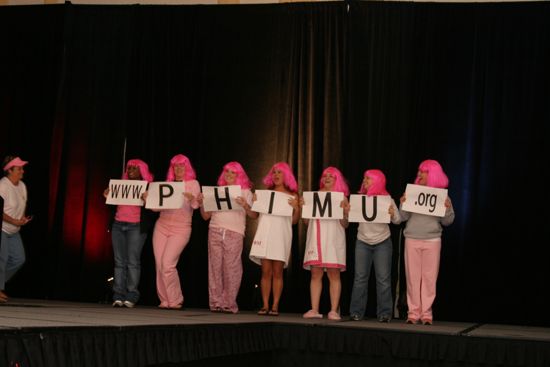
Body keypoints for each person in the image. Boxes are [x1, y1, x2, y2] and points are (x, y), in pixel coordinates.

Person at [399, 159, 455, 325]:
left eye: (424, 171)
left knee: (429, 279)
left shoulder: (441, 196)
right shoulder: (412, 192)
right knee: (412, 278)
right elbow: (402, 217)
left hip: (432, 240)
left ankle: (426, 314)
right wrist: (402, 204)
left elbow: (448, 221)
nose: (420, 174)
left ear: (433, 175)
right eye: (419, 171)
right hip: (412, 238)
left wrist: (447, 208)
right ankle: (413, 313)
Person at [198, 162, 257, 314]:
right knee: (214, 268)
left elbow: (254, 215)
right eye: (227, 172)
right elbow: (205, 216)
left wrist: (245, 205)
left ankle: (229, 303)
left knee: (232, 268)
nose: (229, 175)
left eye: (233, 172)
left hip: (234, 232)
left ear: (239, 175)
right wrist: (202, 204)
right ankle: (215, 302)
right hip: (215, 230)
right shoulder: (217, 191)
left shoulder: (245, 192)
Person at [146, 154, 200, 309]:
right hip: (162, 225)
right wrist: (147, 199)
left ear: (187, 167)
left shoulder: (193, 184)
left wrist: (191, 199)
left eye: (181, 166)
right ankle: (165, 299)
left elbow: (196, 206)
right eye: (175, 166)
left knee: (168, 264)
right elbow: (156, 207)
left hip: (181, 228)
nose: (178, 169)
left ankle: (176, 299)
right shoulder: (167, 184)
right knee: (159, 264)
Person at [348, 169, 401, 322]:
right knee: (360, 278)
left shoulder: (387, 199)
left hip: (382, 243)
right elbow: (349, 219)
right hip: (362, 242)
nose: (364, 181)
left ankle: (385, 313)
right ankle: (356, 312)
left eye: (368, 179)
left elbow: (397, 221)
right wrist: (346, 212)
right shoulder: (359, 199)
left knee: (383, 279)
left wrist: (392, 214)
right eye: (364, 178)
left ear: (377, 181)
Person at [249, 162, 300, 316]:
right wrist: (252, 202)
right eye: (274, 172)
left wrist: (296, 208)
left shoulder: (293, 195)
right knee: (265, 272)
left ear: (286, 176)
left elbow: (295, 221)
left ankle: (275, 305)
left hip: (281, 235)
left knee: (277, 272)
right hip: (265, 233)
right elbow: (255, 215)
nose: (276, 175)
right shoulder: (265, 194)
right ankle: (265, 305)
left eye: (280, 172)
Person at [104, 159, 154, 308]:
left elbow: (154, 210)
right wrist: (108, 196)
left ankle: (132, 295)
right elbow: (112, 206)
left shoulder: (148, 187)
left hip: (136, 227)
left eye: (134, 168)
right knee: (119, 262)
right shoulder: (119, 185)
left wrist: (148, 199)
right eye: (129, 168)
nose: (130, 170)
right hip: (118, 225)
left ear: (142, 171)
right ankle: (118, 295)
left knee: (132, 261)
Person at [302, 167, 349, 321]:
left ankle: (334, 310)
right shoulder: (313, 196)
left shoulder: (341, 197)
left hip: (334, 238)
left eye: (331, 176)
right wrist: (304, 207)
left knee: (333, 274)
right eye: (325, 175)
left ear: (337, 179)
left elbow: (345, 224)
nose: (327, 178)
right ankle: (314, 309)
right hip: (316, 238)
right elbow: (305, 222)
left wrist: (345, 212)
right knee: (315, 273)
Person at [0, 156, 32, 303]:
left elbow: (22, 204)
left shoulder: (22, 186)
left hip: (14, 231)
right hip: (3, 228)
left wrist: (22, 218)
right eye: (19, 169)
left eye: (22, 168)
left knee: (19, 259)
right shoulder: (3, 185)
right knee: (2, 258)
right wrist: (13, 220)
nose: (22, 171)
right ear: (10, 170)